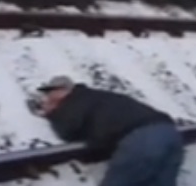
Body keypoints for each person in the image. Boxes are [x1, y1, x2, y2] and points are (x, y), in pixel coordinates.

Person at [28, 76, 184, 186]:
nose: (48, 97)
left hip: (142, 140)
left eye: (50, 92)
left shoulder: (75, 100)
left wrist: (51, 113)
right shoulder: (98, 96)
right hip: (169, 133)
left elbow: (69, 130)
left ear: (65, 90)